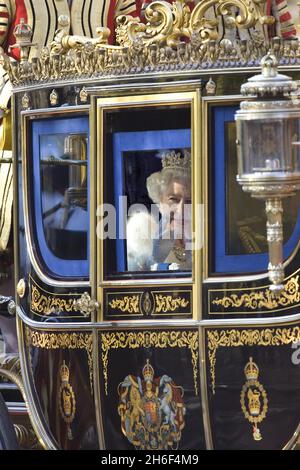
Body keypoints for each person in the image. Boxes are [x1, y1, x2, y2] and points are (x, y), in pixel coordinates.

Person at [126, 149, 192, 272]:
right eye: (174, 199)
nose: (182, 209)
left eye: (189, 201)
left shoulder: (207, 240)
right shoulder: (144, 242)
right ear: (160, 202)